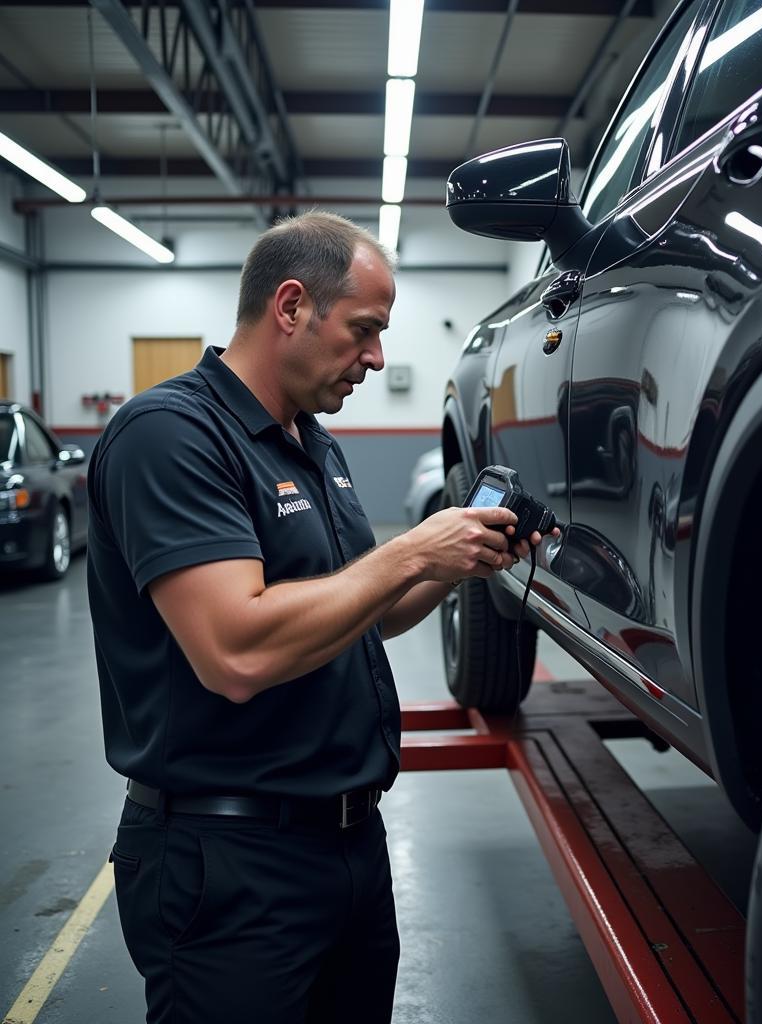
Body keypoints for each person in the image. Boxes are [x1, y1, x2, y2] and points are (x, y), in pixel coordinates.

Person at [86, 212, 552, 1024]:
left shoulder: (312, 444)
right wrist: (410, 551)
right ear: (292, 306)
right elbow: (236, 648)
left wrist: (457, 560)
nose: (376, 357)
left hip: (348, 847)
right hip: (230, 863)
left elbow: (356, 612)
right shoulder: (171, 435)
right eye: (365, 330)